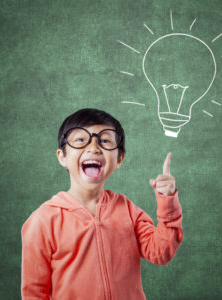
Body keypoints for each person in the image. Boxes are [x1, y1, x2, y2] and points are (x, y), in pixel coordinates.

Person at [21, 108, 183, 300]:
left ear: (119, 159)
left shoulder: (128, 210)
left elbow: (161, 252)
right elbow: (34, 292)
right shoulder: (43, 220)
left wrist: (168, 200)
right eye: (80, 140)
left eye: (105, 140)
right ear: (62, 156)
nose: (93, 147)